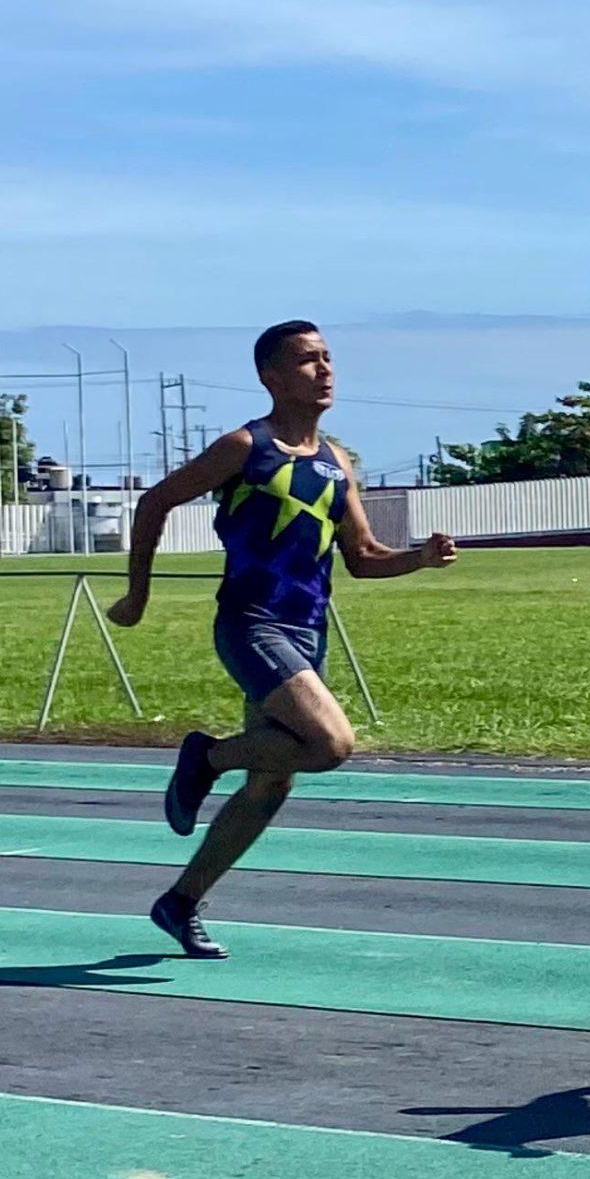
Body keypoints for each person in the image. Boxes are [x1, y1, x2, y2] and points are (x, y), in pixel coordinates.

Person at [109, 321, 457, 959]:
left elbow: (365, 556)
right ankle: (205, 758)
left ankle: (179, 901)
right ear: (270, 376)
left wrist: (421, 560)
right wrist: (138, 595)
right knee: (329, 743)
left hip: (306, 631)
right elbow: (154, 503)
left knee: (271, 782)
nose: (324, 370)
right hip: (249, 624)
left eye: (328, 358)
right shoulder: (245, 447)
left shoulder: (334, 463)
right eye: (306, 360)